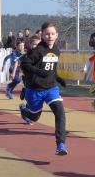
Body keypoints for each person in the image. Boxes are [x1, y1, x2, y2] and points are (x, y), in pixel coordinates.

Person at [19, 21, 68, 155]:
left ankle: (61, 145)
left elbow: (51, 69)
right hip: (35, 90)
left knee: (60, 114)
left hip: (51, 88)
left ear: (57, 35)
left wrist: (58, 78)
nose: (50, 36)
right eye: (47, 34)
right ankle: (24, 110)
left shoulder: (56, 50)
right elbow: (25, 65)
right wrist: (39, 72)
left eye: (52, 34)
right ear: (42, 35)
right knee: (34, 117)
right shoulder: (38, 50)